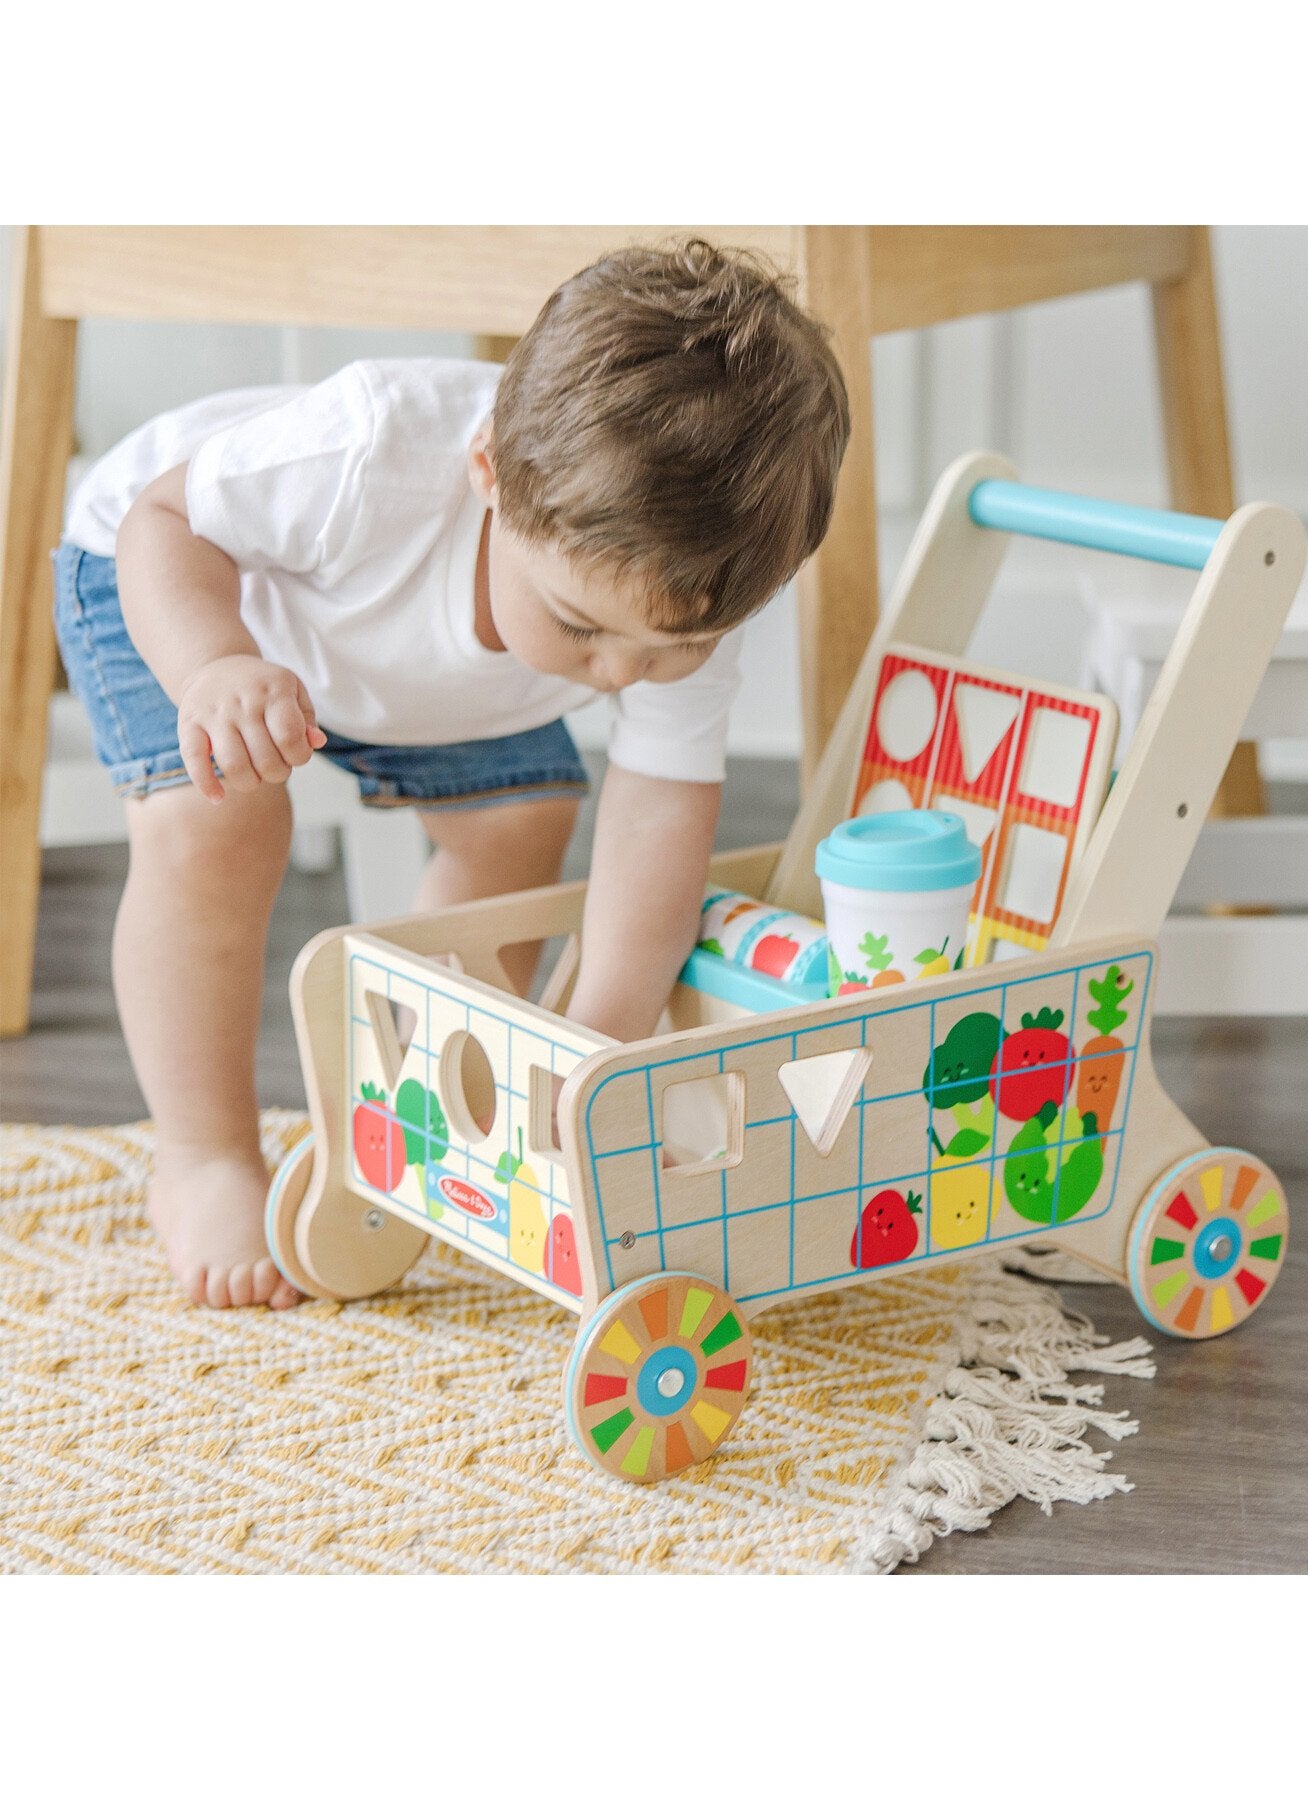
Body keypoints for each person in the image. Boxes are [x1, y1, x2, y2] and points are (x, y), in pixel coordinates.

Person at [54, 238, 851, 1311]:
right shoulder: (367, 448)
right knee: (222, 823)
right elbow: (165, 518)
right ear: (487, 477)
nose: (621, 673)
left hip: (423, 676)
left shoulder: (688, 592)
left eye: (668, 653)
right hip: (188, 588)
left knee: (526, 821)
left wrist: (600, 1047)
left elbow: (658, 822)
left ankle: (436, 1089)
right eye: (583, 625)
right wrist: (215, 669)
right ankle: (201, 1154)